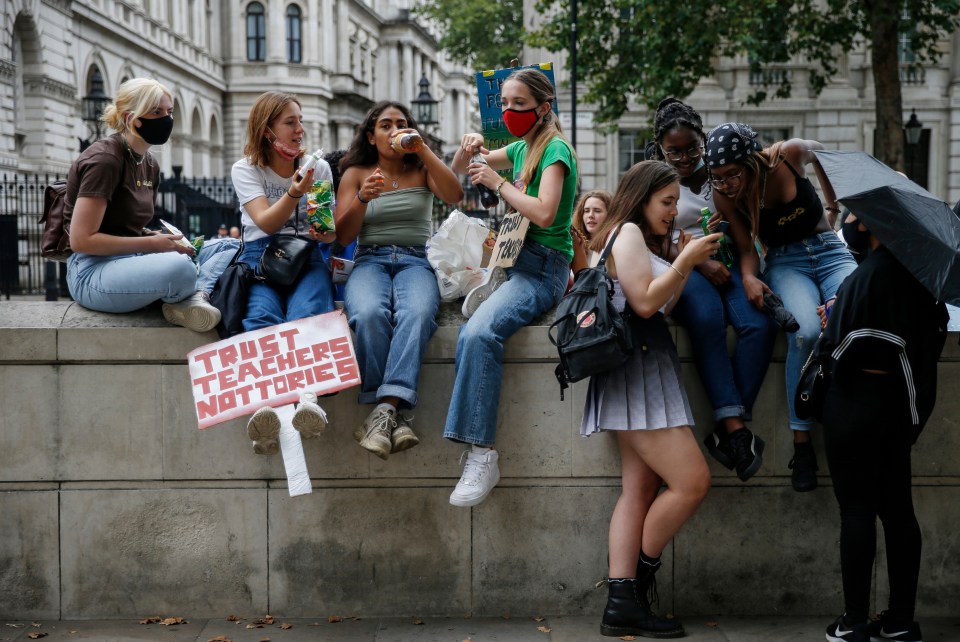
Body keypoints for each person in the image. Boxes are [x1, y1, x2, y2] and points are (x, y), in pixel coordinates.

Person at [584, 160, 721, 639]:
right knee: (692, 482)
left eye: (676, 202)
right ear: (642, 197)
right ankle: (636, 585)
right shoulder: (627, 234)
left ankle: (622, 603)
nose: (674, 210)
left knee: (639, 491)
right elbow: (644, 304)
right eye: (666, 202)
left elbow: (660, 299)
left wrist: (682, 255)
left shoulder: (628, 236)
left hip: (637, 367)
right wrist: (685, 261)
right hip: (637, 368)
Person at [445, 67, 578, 507]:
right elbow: (466, 169)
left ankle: (482, 455)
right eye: (503, 103)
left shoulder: (554, 149)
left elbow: (544, 212)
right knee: (473, 329)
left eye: (517, 105)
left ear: (543, 107)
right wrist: (467, 150)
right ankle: (493, 284)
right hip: (514, 258)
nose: (507, 112)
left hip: (543, 268)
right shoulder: (523, 146)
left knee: (480, 334)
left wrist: (498, 183)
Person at [705, 123, 857, 492]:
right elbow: (745, 248)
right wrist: (749, 278)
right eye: (718, 178)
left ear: (750, 160)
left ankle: (853, 429)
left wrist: (832, 206)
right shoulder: (725, 196)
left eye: (732, 174)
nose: (726, 184)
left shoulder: (786, 156)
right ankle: (801, 445)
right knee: (804, 333)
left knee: (853, 318)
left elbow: (823, 149)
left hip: (830, 252)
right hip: (787, 264)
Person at [820, 218, 948, 642]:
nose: (851, 225)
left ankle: (853, 621)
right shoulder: (925, 277)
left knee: (856, 510)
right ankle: (899, 621)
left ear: (874, 227)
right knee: (898, 512)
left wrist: (832, 317)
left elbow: (837, 352)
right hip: (900, 407)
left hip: (855, 404)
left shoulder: (864, 276)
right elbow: (935, 335)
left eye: (857, 221)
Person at [647, 99, 777, 482]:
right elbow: (656, 237)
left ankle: (726, 427)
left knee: (760, 324)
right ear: (661, 149)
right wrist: (699, 260)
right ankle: (736, 430)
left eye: (691, 148)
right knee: (708, 320)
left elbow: (746, 229)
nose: (685, 158)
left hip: (732, 261)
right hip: (686, 266)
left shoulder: (721, 174)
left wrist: (745, 269)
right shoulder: (656, 180)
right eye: (675, 151)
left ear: (702, 142)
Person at [334, 102, 463, 459]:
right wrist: (362, 198)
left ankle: (383, 408)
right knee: (369, 314)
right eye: (385, 125)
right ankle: (392, 410)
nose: (394, 130)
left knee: (418, 313)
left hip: (415, 259)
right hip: (370, 260)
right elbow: (341, 236)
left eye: (401, 124)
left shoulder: (420, 169)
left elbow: (455, 195)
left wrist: (423, 148)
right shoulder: (355, 173)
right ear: (372, 136)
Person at [64, 78, 220, 332]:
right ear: (131, 117)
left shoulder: (149, 163)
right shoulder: (105, 160)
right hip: (92, 271)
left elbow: (125, 227)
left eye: (169, 112)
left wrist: (157, 238)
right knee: (180, 268)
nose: (166, 119)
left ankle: (191, 295)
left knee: (225, 246)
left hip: (132, 259)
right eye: (157, 112)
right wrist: (151, 244)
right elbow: (81, 241)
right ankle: (188, 295)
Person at [230, 91, 336, 455]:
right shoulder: (246, 168)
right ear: (267, 130)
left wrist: (325, 230)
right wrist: (292, 192)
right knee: (261, 315)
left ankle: (307, 398)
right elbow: (264, 220)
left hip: (305, 253)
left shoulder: (318, 168)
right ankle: (266, 406)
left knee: (308, 313)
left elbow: (330, 229)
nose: (300, 130)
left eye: (301, 121)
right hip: (262, 254)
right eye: (290, 122)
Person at [570, 189, 612, 273]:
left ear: (610, 214)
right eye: (586, 211)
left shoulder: (615, 245)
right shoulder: (573, 243)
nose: (590, 215)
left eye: (597, 211)